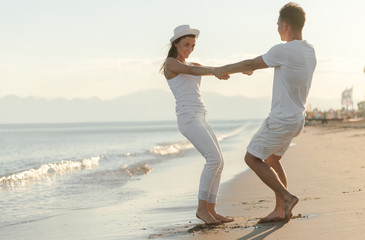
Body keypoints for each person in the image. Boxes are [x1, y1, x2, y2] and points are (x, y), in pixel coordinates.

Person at [214, 2, 316, 223]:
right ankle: (280, 210)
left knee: (252, 158)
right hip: (297, 119)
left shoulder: (283, 50)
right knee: (272, 160)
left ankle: (287, 198)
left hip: (281, 119)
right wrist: (250, 67)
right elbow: (261, 65)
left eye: (278, 23)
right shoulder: (309, 51)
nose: (277, 27)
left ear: (285, 24)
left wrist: (223, 69)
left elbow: (253, 62)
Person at [160, 24, 234, 225]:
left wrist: (234, 70)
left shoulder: (194, 62)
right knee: (213, 159)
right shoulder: (171, 63)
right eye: (186, 44)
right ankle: (202, 210)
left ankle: (211, 210)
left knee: (219, 161)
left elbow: (206, 69)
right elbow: (191, 70)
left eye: (192, 45)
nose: (189, 49)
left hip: (201, 116)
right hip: (188, 118)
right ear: (175, 43)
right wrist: (217, 71)